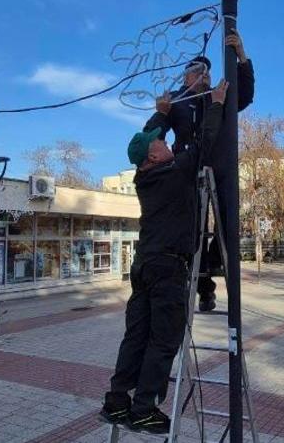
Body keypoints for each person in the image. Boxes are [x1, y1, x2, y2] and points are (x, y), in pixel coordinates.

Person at [100, 80, 229, 435]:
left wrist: (161, 113)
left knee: (135, 336)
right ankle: (143, 409)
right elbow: (203, 145)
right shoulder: (175, 173)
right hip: (168, 267)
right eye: (162, 141)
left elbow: (143, 141)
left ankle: (117, 401)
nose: (166, 141)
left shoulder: (146, 176)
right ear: (155, 155)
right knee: (162, 339)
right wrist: (216, 104)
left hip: (144, 265)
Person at [143, 28, 255, 312]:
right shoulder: (178, 102)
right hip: (188, 172)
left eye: (206, 71)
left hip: (222, 169)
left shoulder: (218, 97)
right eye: (197, 71)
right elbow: (151, 136)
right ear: (186, 76)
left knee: (228, 225)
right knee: (192, 230)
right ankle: (203, 288)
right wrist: (162, 111)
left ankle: (216, 264)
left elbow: (247, 94)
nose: (204, 75)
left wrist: (242, 56)